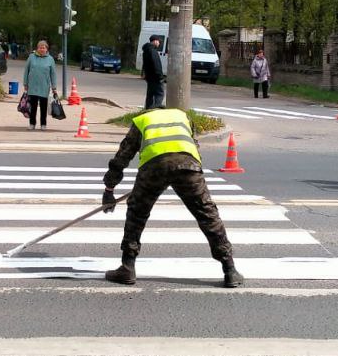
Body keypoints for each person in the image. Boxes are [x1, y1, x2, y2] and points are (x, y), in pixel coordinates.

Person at [101, 107, 243, 289]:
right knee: (207, 214)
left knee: (137, 213)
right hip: (188, 166)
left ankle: (128, 266)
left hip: (154, 167)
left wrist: (109, 190)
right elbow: (194, 148)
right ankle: (229, 270)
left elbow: (122, 158)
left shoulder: (141, 121)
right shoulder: (182, 116)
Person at [22, 39, 57, 130]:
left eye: (43, 48)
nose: (42, 49)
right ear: (37, 49)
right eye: (40, 47)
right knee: (33, 107)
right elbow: (26, 71)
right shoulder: (31, 57)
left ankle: (43, 124)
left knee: (43, 107)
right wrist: (25, 83)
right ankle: (32, 124)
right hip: (32, 86)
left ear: (46, 49)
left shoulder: (50, 59)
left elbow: (53, 74)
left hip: (44, 86)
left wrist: (54, 87)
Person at [141, 35, 166, 109]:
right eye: (159, 41)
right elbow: (156, 65)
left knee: (150, 95)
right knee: (160, 93)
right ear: (155, 41)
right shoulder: (153, 51)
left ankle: (148, 109)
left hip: (149, 77)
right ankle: (156, 108)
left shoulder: (146, 50)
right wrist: (160, 77)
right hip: (155, 77)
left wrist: (145, 75)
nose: (159, 43)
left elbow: (145, 65)